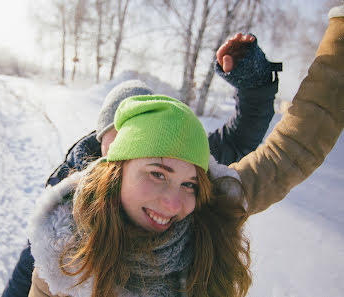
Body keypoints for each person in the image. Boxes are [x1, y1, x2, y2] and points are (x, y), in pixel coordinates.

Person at [27, 5, 343, 297]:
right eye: (156, 173)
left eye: (189, 183)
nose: (174, 203)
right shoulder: (62, 249)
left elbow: (290, 148)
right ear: (114, 164)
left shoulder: (206, 207)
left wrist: (258, 85)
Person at [2, 33, 281, 297]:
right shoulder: (65, 199)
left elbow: (238, 138)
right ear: (101, 138)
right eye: (116, 136)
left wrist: (253, 84)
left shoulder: (177, 157)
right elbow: (32, 266)